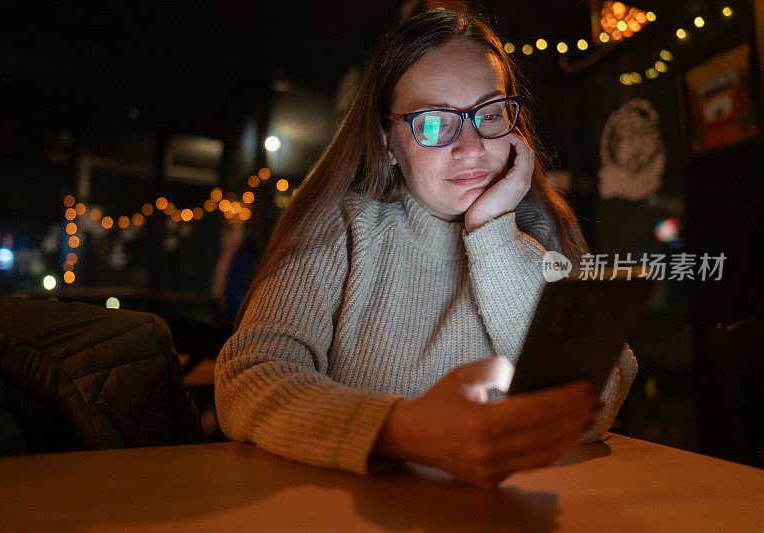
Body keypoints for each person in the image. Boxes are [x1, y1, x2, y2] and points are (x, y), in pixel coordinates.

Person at [215, 8, 638, 490]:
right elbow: (248, 378)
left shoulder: (541, 236)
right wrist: (399, 430)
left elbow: (597, 401)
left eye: (490, 114)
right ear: (388, 141)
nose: (472, 147)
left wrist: (494, 232)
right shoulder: (345, 229)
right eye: (434, 124)